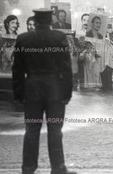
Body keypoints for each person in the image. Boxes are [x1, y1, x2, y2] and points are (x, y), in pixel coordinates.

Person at [12, 8, 76, 174]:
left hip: (32, 88)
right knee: (55, 130)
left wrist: (18, 93)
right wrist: (67, 92)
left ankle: (28, 168)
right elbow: (66, 68)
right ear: (50, 21)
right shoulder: (59, 37)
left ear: (36, 20)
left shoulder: (23, 39)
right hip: (55, 89)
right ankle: (58, 167)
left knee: (31, 130)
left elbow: (17, 69)